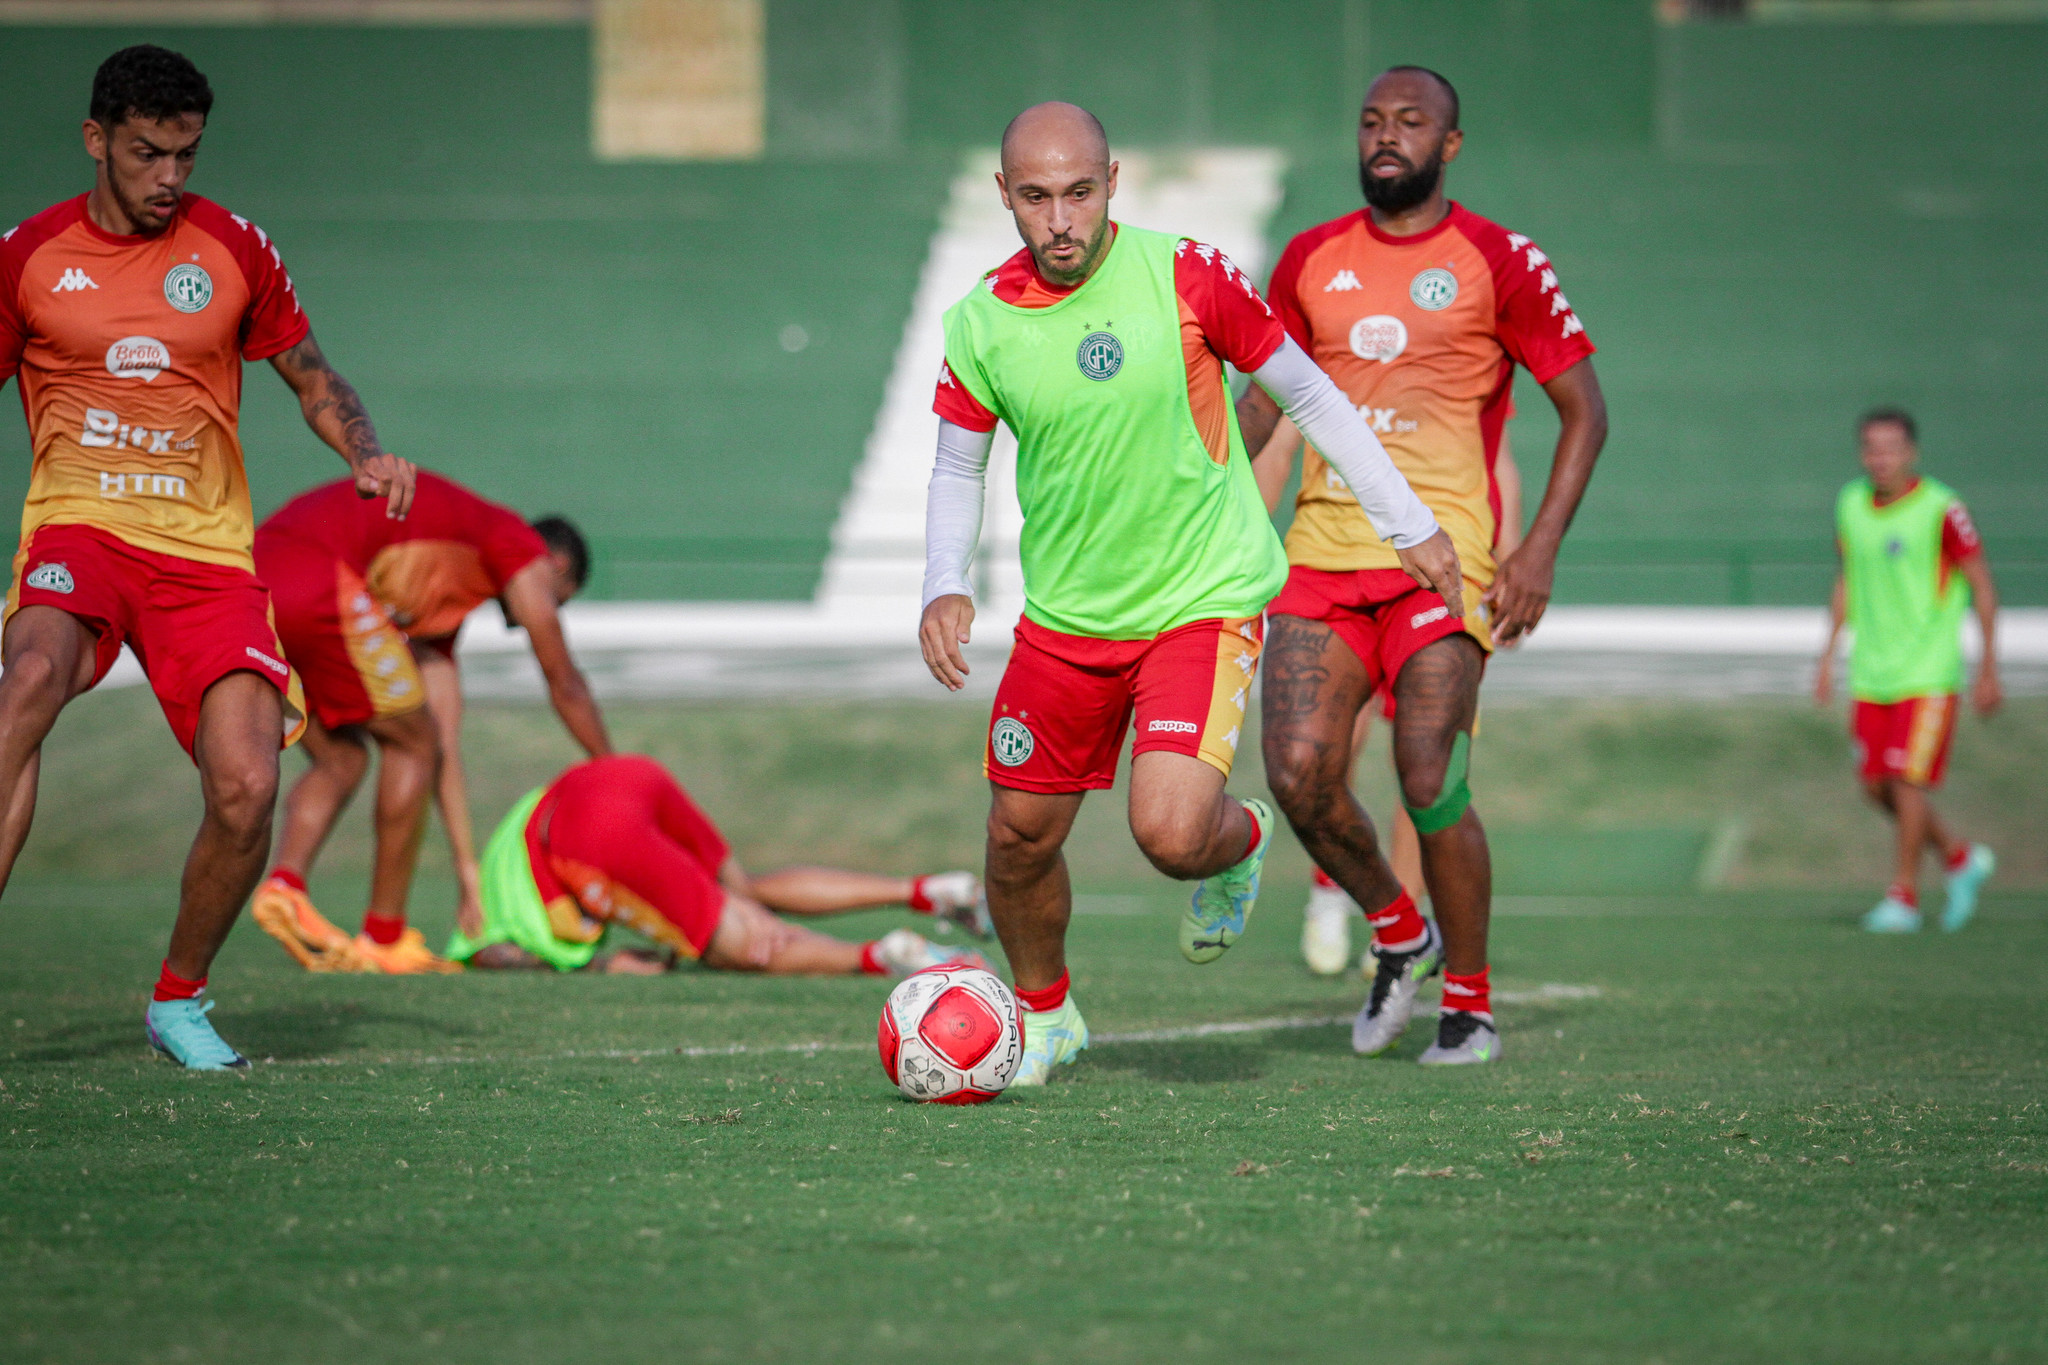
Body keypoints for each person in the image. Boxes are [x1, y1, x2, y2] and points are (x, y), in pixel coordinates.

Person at [919, 102, 1461, 1085]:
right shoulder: (978, 324)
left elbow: (1304, 393)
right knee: (1015, 839)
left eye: (1078, 193)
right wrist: (944, 585)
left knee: (1170, 836)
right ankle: (1046, 1019)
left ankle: (1240, 839)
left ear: (1111, 182)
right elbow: (957, 467)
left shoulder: (1186, 275)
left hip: (1197, 604)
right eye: (1034, 198)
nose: (1059, 221)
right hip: (1063, 622)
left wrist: (1407, 522)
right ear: (1003, 196)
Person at [0, 46, 414, 1069]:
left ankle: (178, 1001)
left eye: (185, 154)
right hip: (79, 531)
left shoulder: (233, 248)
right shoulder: (29, 257)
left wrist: (363, 453)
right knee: (30, 680)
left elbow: (311, 377)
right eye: (147, 154)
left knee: (246, 785)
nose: (168, 177)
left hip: (204, 559)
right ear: (97, 140)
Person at [1240, 66, 1608, 1065]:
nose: (1383, 137)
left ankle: (1470, 1006)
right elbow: (1263, 409)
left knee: (1423, 770)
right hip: (1318, 555)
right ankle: (1399, 932)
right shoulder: (1308, 259)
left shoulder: (1499, 259)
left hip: (1441, 560)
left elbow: (1585, 410)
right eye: (1368, 122)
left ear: (1448, 145)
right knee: (1298, 777)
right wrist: (1206, 487)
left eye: (1408, 123)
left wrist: (1535, 550)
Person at [247, 472, 605, 973]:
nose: (537, 615)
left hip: (257, 579)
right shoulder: (515, 543)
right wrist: (612, 770)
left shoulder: (436, 603)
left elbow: (445, 748)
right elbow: (565, 684)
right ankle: (384, 937)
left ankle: (285, 887)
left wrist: (467, 870)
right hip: (317, 574)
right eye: (557, 599)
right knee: (411, 744)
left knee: (344, 758)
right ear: (555, 565)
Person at [1276, 431, 1525, 976]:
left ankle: (1399, 929)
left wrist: (1512, 558)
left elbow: (1497, 454)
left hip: (1441, 566)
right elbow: (1279, 433)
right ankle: (1330, 892)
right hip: (1342, 559)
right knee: (1329, 747)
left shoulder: (1468, 354)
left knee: (1422, 762)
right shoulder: (1320, 349)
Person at [447, 754, 992, 975]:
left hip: (591, 837)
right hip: (623, 776)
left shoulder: (485, 916)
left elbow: (493, 953)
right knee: (742, 891)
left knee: (745, 945)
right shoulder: (499, 858)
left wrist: (603, 966)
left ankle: (892, 955)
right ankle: (927, 890)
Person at [1815, 408, 1999, 933]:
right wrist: (1828, 656)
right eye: (1871, 448)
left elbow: (1981, 583)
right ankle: (1959, 858)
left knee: (1906, 779)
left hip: (1928, 670)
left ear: (1911, 452)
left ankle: (1904, 897)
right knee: (1875, 786)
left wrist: (1988, 666)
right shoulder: (1851, 504)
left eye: (1891, 447)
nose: (1881, 458)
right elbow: (1846, 578)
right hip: (1872, 672)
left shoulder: (1942, 508)